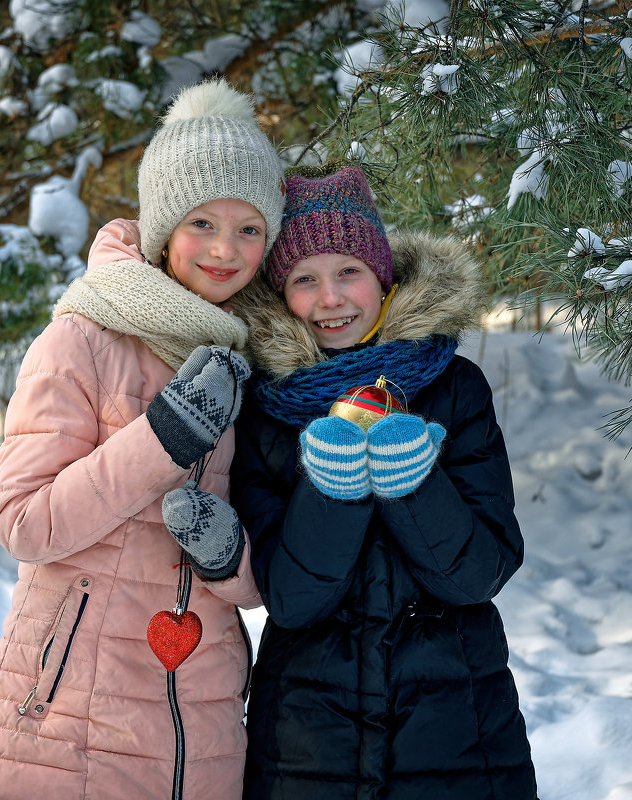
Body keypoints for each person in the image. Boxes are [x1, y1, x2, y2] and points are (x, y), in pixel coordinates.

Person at [0, 79, 285, 800]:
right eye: (203, 223)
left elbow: (266, 579)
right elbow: (23, 522)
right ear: (162, 225)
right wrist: (163, 438)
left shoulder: (252, 360)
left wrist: (230, 557)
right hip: (69, 719)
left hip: (198, 730)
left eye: (249, 229)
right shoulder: (83, 335)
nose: (225, 251)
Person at [227, 165, 538, 799]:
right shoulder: (262, 407)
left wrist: (413, 484)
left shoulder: (455, 389)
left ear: (383, 279)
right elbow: (289, 599)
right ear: (279, 296)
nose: (331, 298)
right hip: (310, 742)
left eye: (348, 272)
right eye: (303, 280)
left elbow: (479, 574)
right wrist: (331, 490)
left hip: (456, 727)